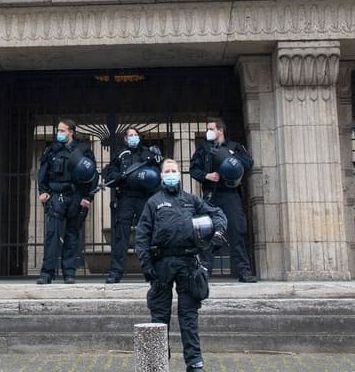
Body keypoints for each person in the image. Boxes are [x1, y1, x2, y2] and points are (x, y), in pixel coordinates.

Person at [136, 158, 226, 372]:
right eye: (166, 171)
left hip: (188, 264)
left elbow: (216, 214)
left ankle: (194, 363)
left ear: (179, 173)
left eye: (173, 170)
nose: (170, 174)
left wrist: (219, 233)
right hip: (161, 265)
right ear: (161, 175)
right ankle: (157, 362)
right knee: (159, 316)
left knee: (189, 317)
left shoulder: (192, 200)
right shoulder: (153, 202)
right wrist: (146, 263)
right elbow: (142, 235)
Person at [189, 117, 257, 282]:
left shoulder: (234, 147)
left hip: (230, 194)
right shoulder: (203, 149)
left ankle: (243, 272)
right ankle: (205, 272)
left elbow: (248, 163)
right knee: (206, 232)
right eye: (207, 128)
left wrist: (233, 161)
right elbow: (194, 169)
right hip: (211, 194)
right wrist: (206, 175)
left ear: (220, 130)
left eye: (211, 129)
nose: (208, 132)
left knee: (236, 232)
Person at [36, 119, 95, 284]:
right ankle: (47, 273)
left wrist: (88, 197)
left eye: (62, 131)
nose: (59, 134)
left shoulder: (83, 150)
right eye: (58, 131)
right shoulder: (51, 150)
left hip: (76, 196)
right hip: (56, 195)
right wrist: (43, 192)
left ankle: (69, 273)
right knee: (52, 235)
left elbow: (92, 175)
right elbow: (43, 173)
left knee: (72, 235)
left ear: (71, 131)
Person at [100, 127, 161, 283]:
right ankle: (116, 273)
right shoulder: (120, 155)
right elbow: (109, 175)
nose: (134, 137)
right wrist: (119, 176)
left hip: (144, 198)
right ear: (126, 139)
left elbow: (159, 173)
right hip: (126, 198)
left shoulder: (149, 153)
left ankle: (150, 270)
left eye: (136, 135)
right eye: (130, 135)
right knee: (121, 237)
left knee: (148, 235)